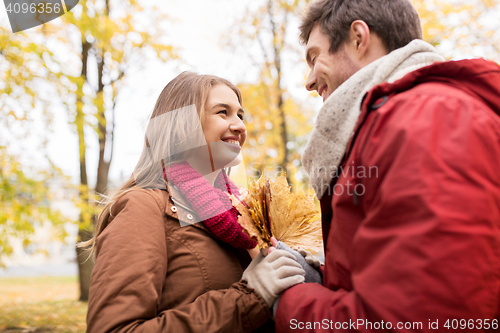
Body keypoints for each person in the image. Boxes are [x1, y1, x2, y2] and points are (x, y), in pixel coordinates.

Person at [273, 0, 500, 331]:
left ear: (358, 38)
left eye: (314, 58)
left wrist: (290, 301)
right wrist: (318, 280)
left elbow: (419, 319)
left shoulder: (426, 118)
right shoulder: (403, 120)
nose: (308, 81)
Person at [82, 72, 306, 333]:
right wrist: (250, 296)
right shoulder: (144, 207)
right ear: (182, 123)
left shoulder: (244, 215)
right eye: (223, 112)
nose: (240, 126)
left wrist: (299, 271)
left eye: (240, 116)